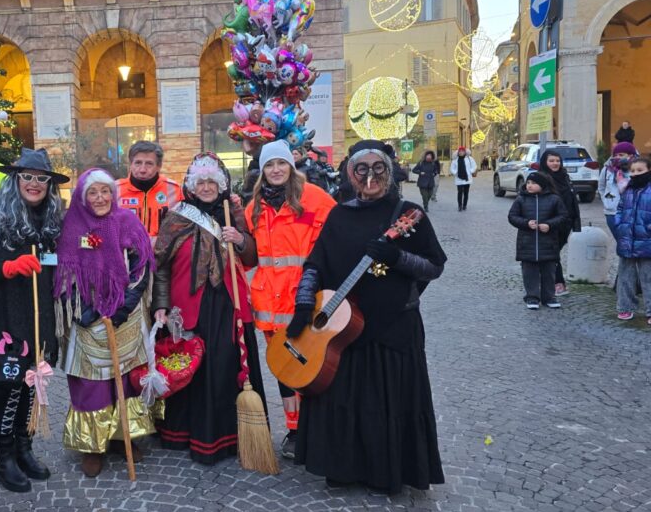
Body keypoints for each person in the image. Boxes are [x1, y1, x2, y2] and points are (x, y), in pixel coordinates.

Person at [289, 139, 446, 493]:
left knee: (387, 401)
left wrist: (397, 258)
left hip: (393, 327)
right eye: (362, 170)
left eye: (378, 169)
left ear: (389, 173)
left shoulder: (409, 215)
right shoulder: (340, 214)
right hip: (342, 331)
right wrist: (302, 306)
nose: (370, 177)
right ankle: (342, 467)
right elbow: (315, 264)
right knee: (344, 399)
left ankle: (385, 471)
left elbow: (434, 266)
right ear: (351, 174)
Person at [0, 148, 66, 493]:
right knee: (9, 389)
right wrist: (5, 269)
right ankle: (3, 458)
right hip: (3, 316)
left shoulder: (51, 219)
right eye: (28, 177)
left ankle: (24, 448)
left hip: (39, 316)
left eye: (42, 179)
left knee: (31, 386)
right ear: (15, 179)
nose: (35, 184)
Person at [152, 153, 266, 464]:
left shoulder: (233, 213)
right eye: (200, 182)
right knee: (188, 366)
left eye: (211, 182)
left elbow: (251, 258)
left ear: (221, 185)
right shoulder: (176, 217)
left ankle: (224, 437)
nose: (206, 187)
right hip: (185, 305)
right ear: (191, 185)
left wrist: (240, 239)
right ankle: (184, 434)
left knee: (224, 367)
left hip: (227, 305)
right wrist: (160, 304)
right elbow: (160, 266)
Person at [55, 168, 156, 477]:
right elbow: (64, 275)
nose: (100, 198)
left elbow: (143, 265)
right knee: (92, 382)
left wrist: (123, 306)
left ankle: (124, 437)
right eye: (93, 193)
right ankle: (92, 445)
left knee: (126, 378)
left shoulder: (127, 221)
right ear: (82, 197)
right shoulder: (71, 227)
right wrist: (89, 308)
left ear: (113, 194)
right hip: (88, 319)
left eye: (105, 192)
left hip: (125, 314)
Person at [244, 140, 336, 460]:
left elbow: (336, 238)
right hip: (270, 306)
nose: (276, 170)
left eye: (281, 163)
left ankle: (317, 429)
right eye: (269, 165)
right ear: (262, 171)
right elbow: (248, 253)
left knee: (312, 369)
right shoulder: (253, 206)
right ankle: (295, 430)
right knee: (285, 371)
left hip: (305, 301)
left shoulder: (315, 199)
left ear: (291, 166)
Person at [508, 172, 568, 309]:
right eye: (528, 183)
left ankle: (549, 297)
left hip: (548, 243)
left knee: (549, 271)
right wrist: (526, 223)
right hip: (527, 242)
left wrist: (549, 225)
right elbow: (512, 216)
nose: (530, 186)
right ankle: (532, 297)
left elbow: (563, 216)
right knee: (529, 271)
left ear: (542, 185)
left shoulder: (554, 199)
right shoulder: (521, 199)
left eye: (533, 183)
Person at [115, 141, 182, 239]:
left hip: (163, 252)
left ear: (159, 166)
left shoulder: (175, 190)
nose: (142, 169)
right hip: (126, 252)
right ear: (130, 164)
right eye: (138, 163)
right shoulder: (115, 190)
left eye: (149, 164)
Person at [614, 157, 651, 322]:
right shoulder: (628, 189)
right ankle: (625, 307)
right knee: (625, 275)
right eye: (633, 171)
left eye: (640, 170)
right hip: (627, 238)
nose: (635, 174)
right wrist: (619, 223)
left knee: (648, 276)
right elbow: (620, 208)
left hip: (647, 239)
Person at [539, 149, 581, 297]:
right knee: (553, 252)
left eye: (557, 160)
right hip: (549, 222)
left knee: (554, 251)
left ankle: (553, 283)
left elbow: (572, 199)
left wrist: (575, 221)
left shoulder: (564, 177)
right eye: (551, 161)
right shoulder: (541, 178)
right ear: (545, 162)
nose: (555, 163)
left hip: (565, 222)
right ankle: (557, 283)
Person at [599, 142, 635, 240]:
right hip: (612, 213)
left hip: (631, 212)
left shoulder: (636, 169)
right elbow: (601, 187)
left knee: (631, 241)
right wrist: (607, 201)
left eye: (621, 155)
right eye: (616, 155)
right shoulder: (607, 169)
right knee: (620, 241)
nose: (617, 157)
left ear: (630, 155)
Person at [449, 146, 476, 211]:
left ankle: (464, 205)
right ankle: (460, 206)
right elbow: (452, 168)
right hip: (459, 178)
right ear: (458, 152)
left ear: (465, 152)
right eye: (460, 151)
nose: (461, 152)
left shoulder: (469, 158)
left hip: (467, 178)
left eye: (462, 151)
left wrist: (470, 171)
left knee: (466, 193)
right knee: (460, 192)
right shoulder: (455, 160)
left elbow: (474, 166)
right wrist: (456, 172)